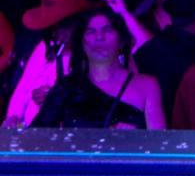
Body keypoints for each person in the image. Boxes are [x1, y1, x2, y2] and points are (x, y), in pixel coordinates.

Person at [33, 9, 165, 130]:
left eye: (108, 30)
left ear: (122, 40)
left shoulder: (147, 85)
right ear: (81, 43)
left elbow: (159, 144)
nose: (99, 37)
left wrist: (135, 139)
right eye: (91, 31)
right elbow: (36, 138)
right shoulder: (66, 88)